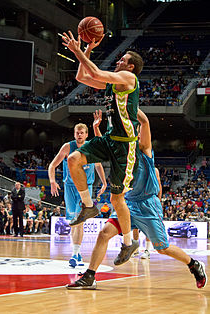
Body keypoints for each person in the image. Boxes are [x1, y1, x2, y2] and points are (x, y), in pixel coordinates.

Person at [66, 109, 207, 290]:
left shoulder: (145, 150)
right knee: (103, 234)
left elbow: (145, 122)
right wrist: (97, 129)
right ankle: (90, 276)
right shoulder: (121, 151)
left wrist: (126, 103)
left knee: (162, 248)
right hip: (128, 204)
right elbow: (106, 146)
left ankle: (193, 264)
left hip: (148, 205)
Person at [62, 31, 143, 265]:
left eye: (122, 59)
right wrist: (86, 49)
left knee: (117, 200)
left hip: (125, 147)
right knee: (73, 160)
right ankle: (89, 206)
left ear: (130, 66)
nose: (118, 61)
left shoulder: (129, 79)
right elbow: (82, 77)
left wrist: (77, 49)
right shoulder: (112, 84)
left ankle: (129, 243)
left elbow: (95, 72)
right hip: (108, 139)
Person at [48, 123, 107, 267]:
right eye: (77, 133)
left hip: (86, 187)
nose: (79, 135)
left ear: (86, 134)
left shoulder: (91, 147)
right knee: (73, 222)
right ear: (74, 134)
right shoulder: (68, 147)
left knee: (79, 221)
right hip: (69, 187)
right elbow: (52, 165)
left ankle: (74, 253)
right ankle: (77, 252)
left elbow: (98, 165)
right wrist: (52, 181)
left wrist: (104, 183)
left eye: (82, 133)